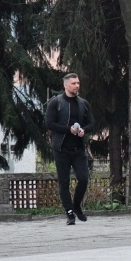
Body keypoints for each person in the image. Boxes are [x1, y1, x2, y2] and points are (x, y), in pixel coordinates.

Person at [45, 73, 95, 225]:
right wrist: (69, 130)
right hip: (61, 148)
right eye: (73, 83)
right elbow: (49, 123)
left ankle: (76, 206)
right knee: (64, 182)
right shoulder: (56, 102)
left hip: (78, 148)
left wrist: (84, 130)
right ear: (65, 85)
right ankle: (69, 213)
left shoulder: (83, 103)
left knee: (83, 178)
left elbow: (91, 123)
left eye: (78, 83)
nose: (77, 86)